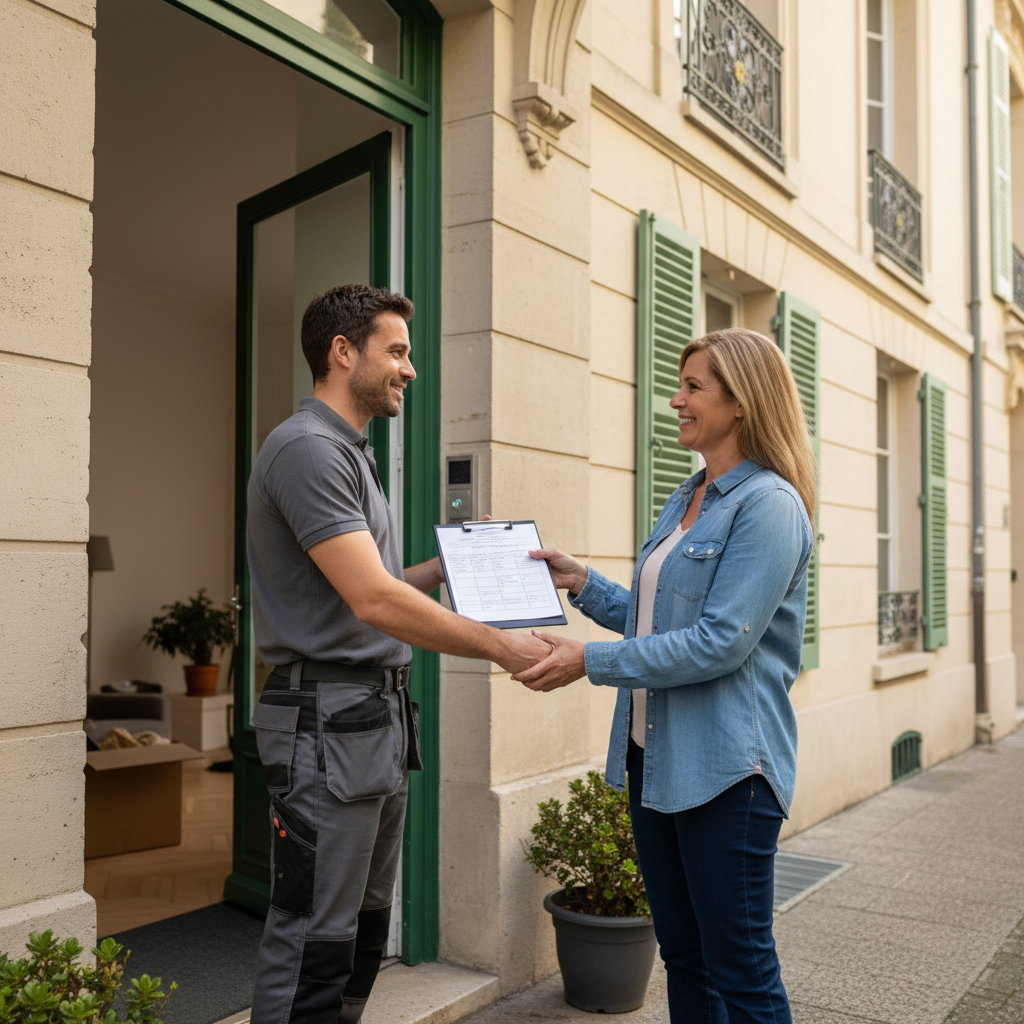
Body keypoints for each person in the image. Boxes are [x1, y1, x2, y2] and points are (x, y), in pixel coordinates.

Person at [247, 284, 549, 1024]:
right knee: (315, 934)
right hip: (324, 720)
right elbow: (373, 601)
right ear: (342, 352)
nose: (410, 369)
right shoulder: (308, 449)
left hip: (369, 718)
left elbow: (370, 585)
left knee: (361, 927)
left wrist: (447, 568)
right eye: (397, 352)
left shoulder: (350, 451)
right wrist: (503, 647)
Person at [517, 328, 816, 1024]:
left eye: (693, 387)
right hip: (655, 763)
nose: (675, 400)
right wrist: (582, 582)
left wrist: (587, 662)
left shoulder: (769, 505)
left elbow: (718, 644)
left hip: (728, 774)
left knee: (741, 969)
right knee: (684, 957)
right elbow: (659, 620)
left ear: (741, 403)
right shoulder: (689, 495)